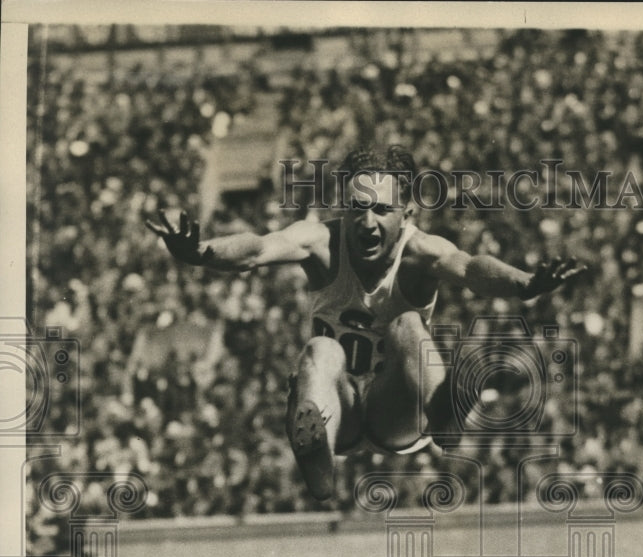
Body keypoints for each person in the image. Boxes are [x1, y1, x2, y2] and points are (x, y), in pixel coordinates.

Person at [146, 145, 586, 502]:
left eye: (381, 210)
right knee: (322, 350)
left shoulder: (421, 252)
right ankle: (317, 463)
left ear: (408, 212)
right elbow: (258, 249)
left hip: (396, 404)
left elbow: (472, 269)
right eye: (357, 208)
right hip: (338, 410)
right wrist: (203, 251)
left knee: (408, 327)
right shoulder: (321, 241)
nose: (367, 223)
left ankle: (443, 415)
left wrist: (523, 283)